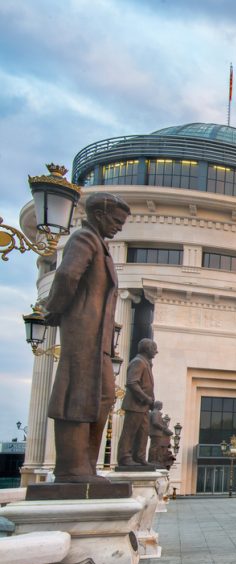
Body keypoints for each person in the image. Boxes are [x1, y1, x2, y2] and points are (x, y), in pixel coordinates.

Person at [44, 193, 129, 483]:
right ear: (99, 214)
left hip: (99, 339)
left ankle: (85, 466)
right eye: (116, 221)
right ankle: (71, 469)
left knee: (103, 397)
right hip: (84, 333)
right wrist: (53, 310)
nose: (119, 227)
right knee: (77, 396)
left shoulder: (101, 246)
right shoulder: (84, 239)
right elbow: (67, 275)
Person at [117, 339, 159, 469]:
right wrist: (146, 398)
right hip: (135, 405)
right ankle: (124, 457)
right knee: (130, 432)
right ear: (147, 349)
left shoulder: (146, 363)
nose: (156, 352)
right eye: (154, 349)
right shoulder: (138, 362)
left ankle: (139, 457)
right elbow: (131, 383)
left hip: (143, 407)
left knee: (143, 432)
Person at [147, 401, 174, 466]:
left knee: (153, 446)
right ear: (158, 406)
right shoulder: (156, 413)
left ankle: (152, 460)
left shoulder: (152, 413)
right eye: (161, 405)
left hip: (153, 432)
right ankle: (153, 460)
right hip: (156, 433)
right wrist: (163, 427)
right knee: (155, 447)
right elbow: (155, 422)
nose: (161, 407)